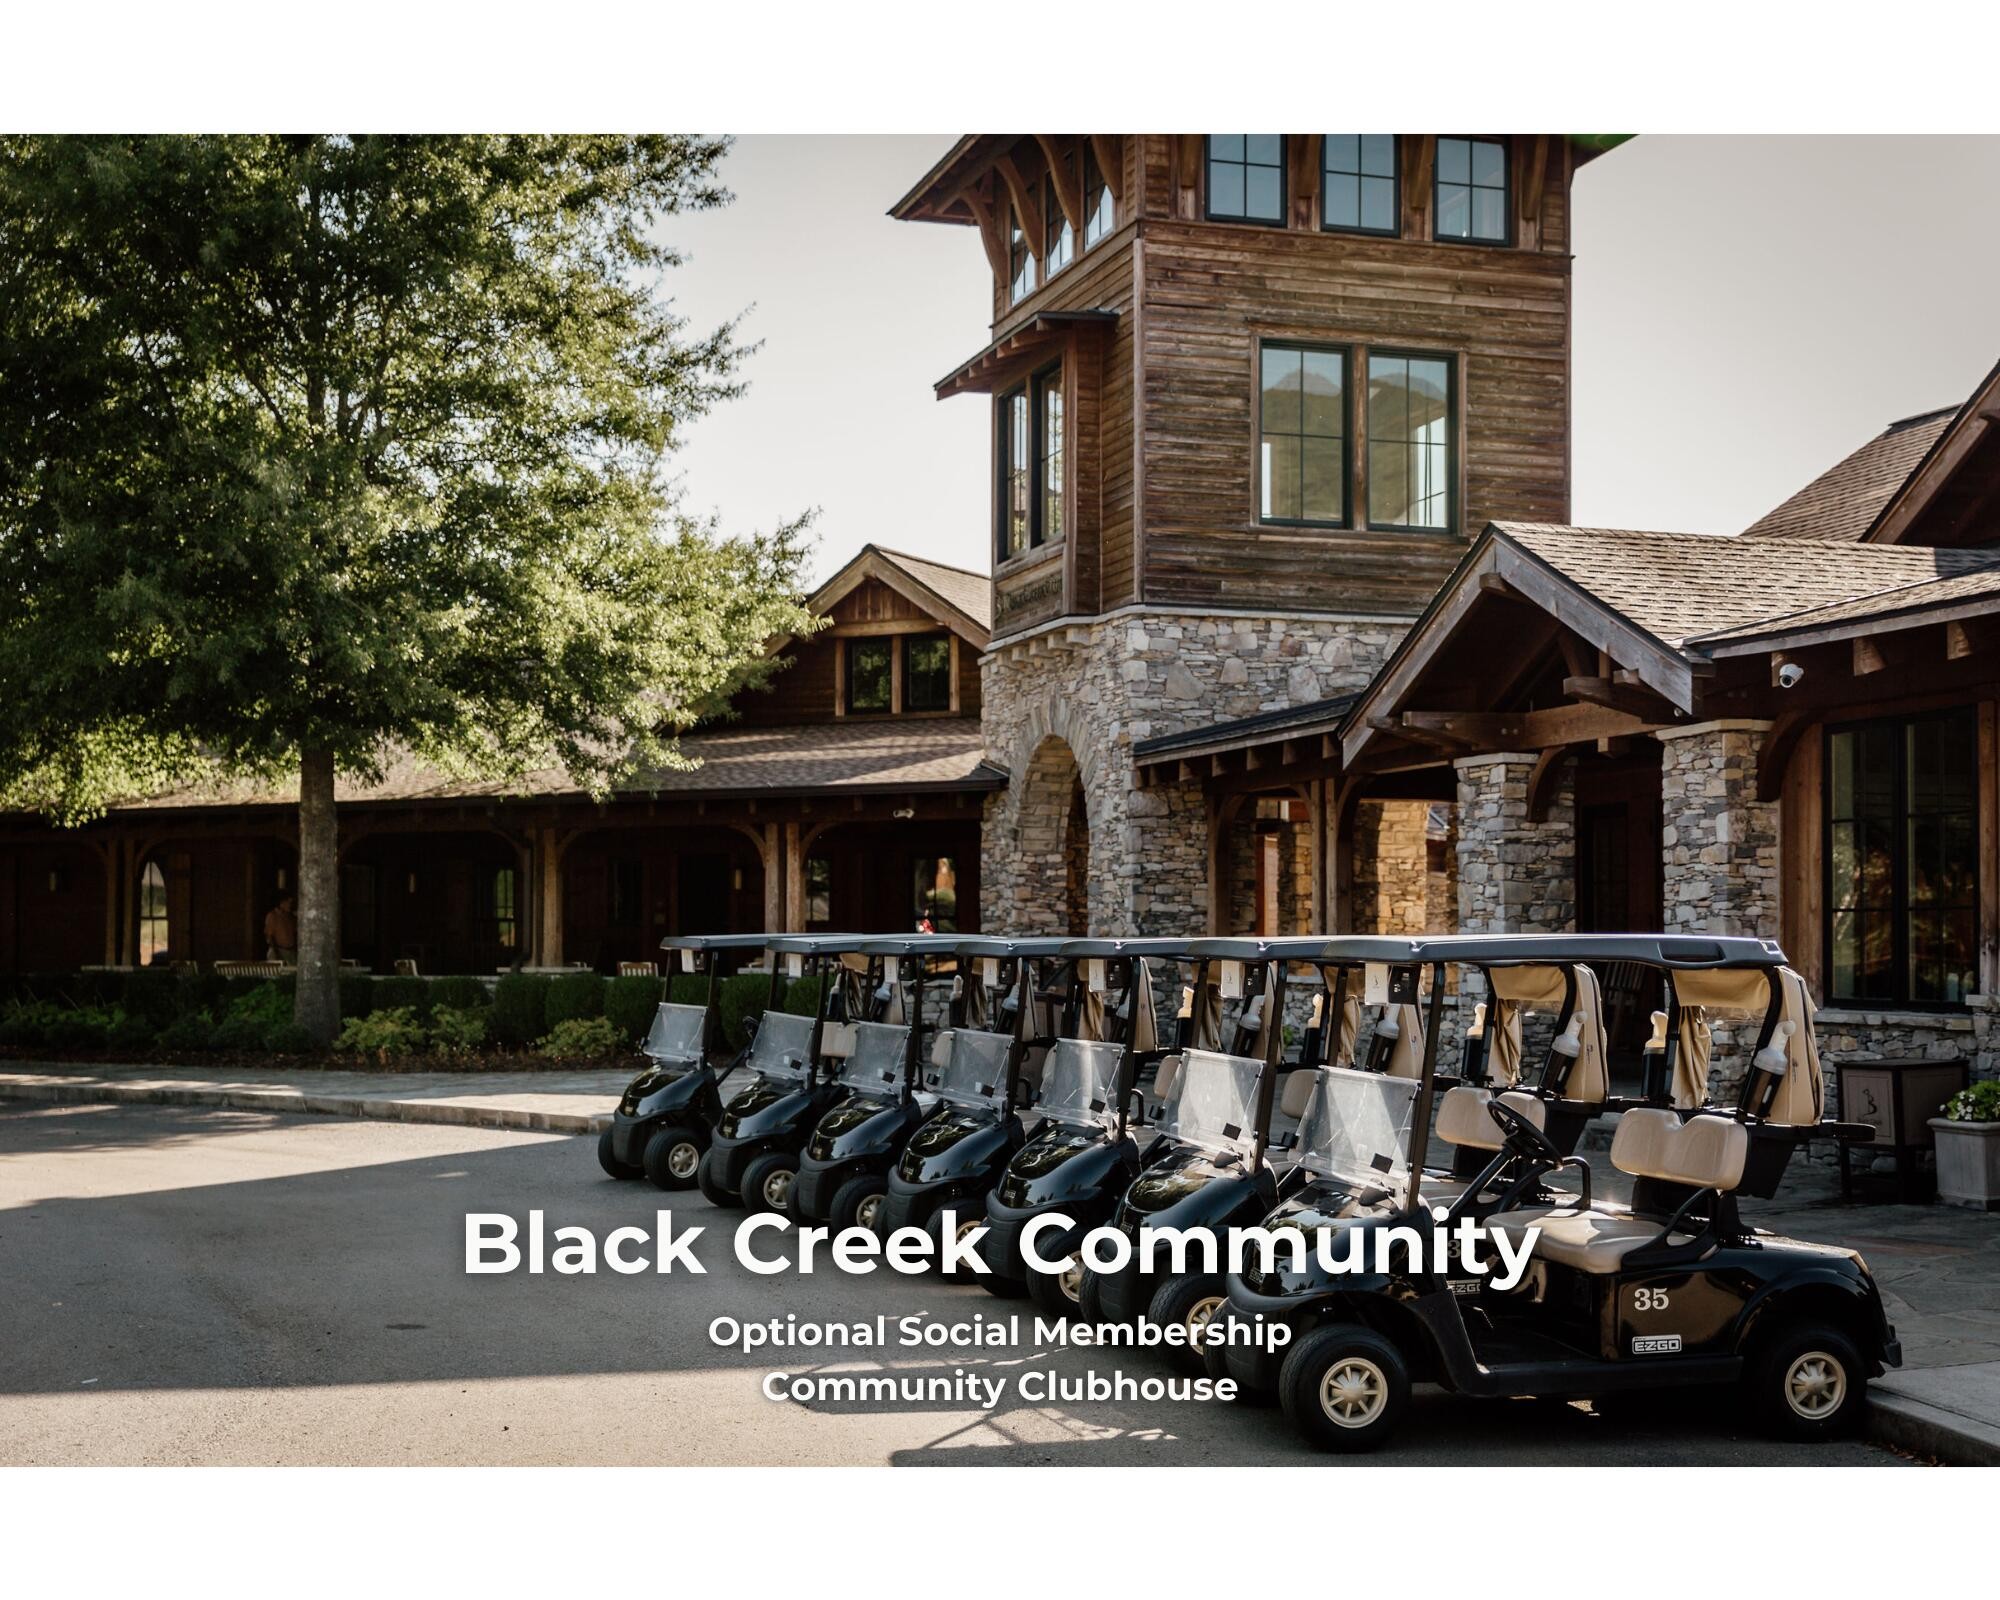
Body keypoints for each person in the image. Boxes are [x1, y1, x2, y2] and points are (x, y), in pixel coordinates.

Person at [264, 894, 298, 963]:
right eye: (288, 903)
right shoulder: (273, 916)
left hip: (290, 952)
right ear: (281, 903)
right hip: (278, 951)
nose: (290, 905)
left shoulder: (290, 917)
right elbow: (270, 936)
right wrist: (277, 953)